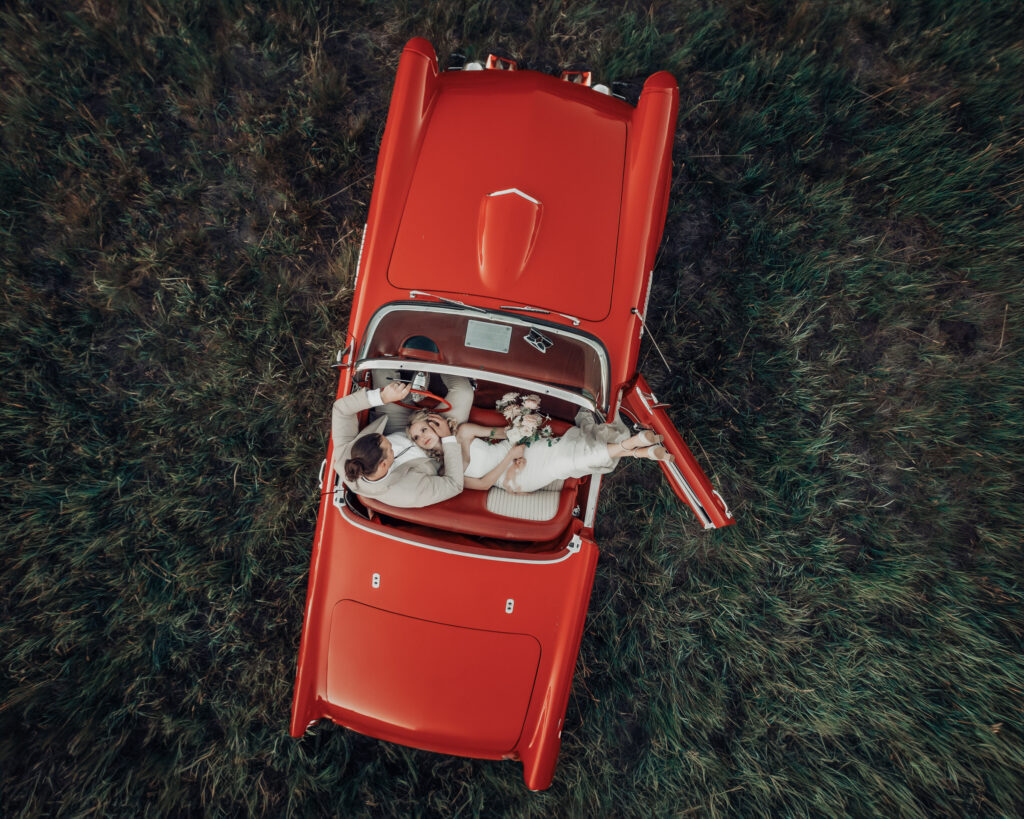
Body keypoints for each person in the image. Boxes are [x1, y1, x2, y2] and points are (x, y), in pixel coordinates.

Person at [406, 408, 673, 494]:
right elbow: (484, 483)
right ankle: (631, 445)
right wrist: (510, 459)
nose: (423, 437)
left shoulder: (464, 431)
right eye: (416, 438)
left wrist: (521, 427)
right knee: (563, 464)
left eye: (424, 428)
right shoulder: (444, 472)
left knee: (566, 447)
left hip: (518, 450)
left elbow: (501, 434)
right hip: (512, 478)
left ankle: (637, 451)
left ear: (435, 421)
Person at [332, 377, 471, 508]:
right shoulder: (408, 493)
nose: (394, 446)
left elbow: (341, 410)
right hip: (433, 449)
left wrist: (382, 397)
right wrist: (447, 438)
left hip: (393, 426)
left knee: (384, 370)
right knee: (463, 392)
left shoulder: (344, 456)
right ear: (384, 464)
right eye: (391, 447)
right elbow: (454, 485)